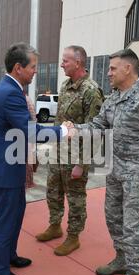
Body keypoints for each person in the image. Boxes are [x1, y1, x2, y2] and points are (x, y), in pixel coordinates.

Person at [67, 49, 139, 275]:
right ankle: (122, 259)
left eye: (113, 68)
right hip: (115, 171)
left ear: (128, 69)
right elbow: (98, 125)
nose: (108, 73)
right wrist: (75, 129)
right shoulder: (114, 98)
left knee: (134, 227)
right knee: (113, 218)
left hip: (137, 176)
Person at [0, 42, 68, 275]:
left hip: (10, 165)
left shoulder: (8, 88)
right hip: (4, 168)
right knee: (6, 218)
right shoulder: (10, 92)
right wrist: (62, 130)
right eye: (33, 67)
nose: (35, 72)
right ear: (18, 67)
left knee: (15, 214)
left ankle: (8, 255)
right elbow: (30, 131)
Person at [36, 45, 104, 256]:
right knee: (53, 191)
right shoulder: (65, 85)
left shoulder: (91, 90)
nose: (61, 64)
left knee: (75, 197)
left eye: (65, 61)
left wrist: (81, 164)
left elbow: (95, 130)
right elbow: (59, 121)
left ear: (78, 63)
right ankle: (55, 225)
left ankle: (73, 237)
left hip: (76, 155)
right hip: (58, 152)